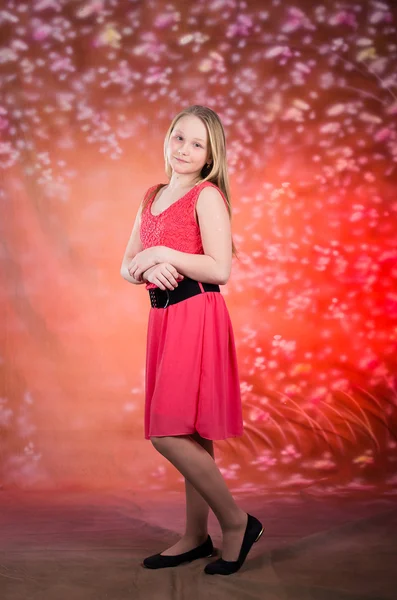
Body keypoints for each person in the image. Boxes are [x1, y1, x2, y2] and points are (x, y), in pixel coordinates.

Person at [120, 105, 263, 575]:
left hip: (196, 312)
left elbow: (219, 269)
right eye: (179, 137)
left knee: (167, 433)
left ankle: (237, 522)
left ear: (210, 156)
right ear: (168, 138)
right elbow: (127, 265)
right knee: (190, 432)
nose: (184, 149)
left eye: (197, 144)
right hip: (162, 317)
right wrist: (148, 265)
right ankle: (195, 536)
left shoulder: (207, 196)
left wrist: (163, 254)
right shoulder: (152, 195)